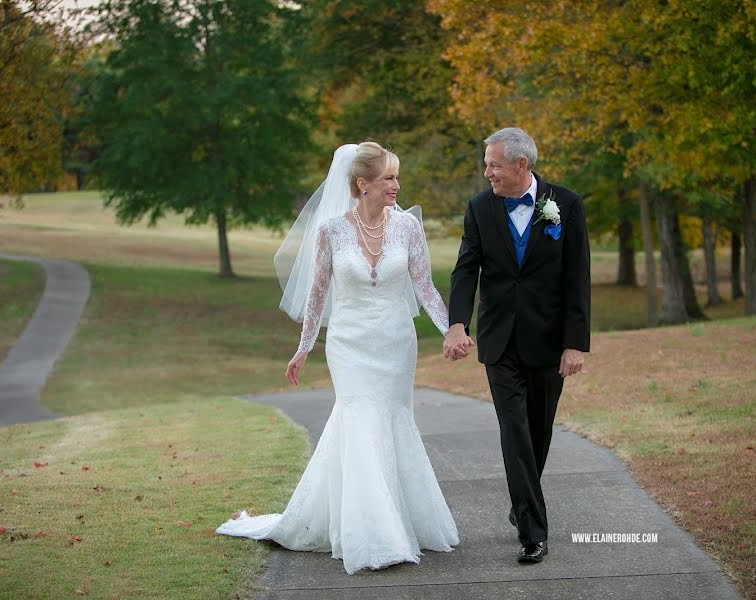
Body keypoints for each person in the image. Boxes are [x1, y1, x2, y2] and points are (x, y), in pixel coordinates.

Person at [216, 142, 459, 574]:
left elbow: (425, 287)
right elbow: (317, 293)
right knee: (360, 420)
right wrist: (304, 347)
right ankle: (376, 536)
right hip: (348, 344)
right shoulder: (331, 230)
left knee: (391, 421)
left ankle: (400, 522)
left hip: (395, 343)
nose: (396, 185)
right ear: (362, 184)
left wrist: (452, 331)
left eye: (396, 177)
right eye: (388, 178)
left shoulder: (407, 228)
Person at [444, 127, 590, 564]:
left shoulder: (566, 204)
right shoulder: (480, 208)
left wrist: (575, 343)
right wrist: (456, 324)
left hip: (548, 341)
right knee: (514, 428)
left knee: (538, 431)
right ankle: (534, 532)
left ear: (521, 165)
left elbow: (577, 279)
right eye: (486, 164)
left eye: (494, 164)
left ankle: (522, 502)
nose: (487, 172)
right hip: (499, 340)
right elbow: (465, 269)